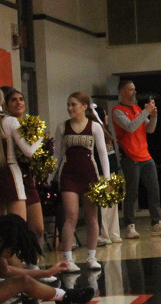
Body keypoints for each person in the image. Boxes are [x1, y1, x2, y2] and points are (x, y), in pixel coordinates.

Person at [0, 214, 94, 304]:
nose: (11, 254)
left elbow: (5, 272)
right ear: (2, 239)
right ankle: (65, 296)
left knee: (23, 281)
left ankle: (65, 296)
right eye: (11, 249)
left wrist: (46, 273)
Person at [53, 93, 110, 271]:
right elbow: (57, 155)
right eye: (68, 105)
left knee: (92, 217)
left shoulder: (95, 127)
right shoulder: (62, 127)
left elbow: (102, 154)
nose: (70, 108)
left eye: (74, 105)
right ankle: (67, 259)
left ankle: (91, 257)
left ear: (84, 106)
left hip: (90, 176)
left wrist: (106, 179)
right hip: (68, 176)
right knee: (71, 216)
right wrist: (49, 176)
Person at [111, 81, 161, 240]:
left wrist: (153, 116)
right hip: (130, 157)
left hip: (145, 155)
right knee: (132, 192)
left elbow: (149, 129)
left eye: (134, 89)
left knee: (154, 189)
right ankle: (130, 225)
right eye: (131, 89)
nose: (134, 92)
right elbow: (130, 127)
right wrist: (145, 113)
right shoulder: (117, 111)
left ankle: (157, 222)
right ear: (122, 92)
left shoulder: (138, 109)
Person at [0, 89, 45, 247]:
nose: (18, 102)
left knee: (38, 228)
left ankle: (33, 263)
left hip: (27, 179)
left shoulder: (30, 124)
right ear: (5, 104)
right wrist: (39, 138)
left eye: (21, 99)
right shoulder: (4, 123)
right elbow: (27, 151)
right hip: (10, 177)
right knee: (13, 226)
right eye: (13, 100)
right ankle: (16, 263)